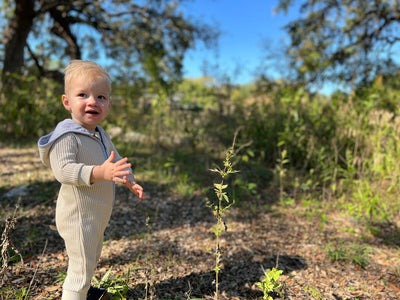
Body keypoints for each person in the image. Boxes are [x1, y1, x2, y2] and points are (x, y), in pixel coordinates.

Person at [38, 60, 144, 300]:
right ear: (67, 102)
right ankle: (76, 293)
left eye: (101, 97)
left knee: (91, 257)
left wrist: (130, 181)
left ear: (108, 104)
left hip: (95, 215)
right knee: (80, 268)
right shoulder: (67, 136)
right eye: (83, 94)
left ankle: (84, 292)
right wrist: (98, 173)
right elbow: (63, 170)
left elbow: (115, 164)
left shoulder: (100, 134)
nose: (92, 101)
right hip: (78, 216)